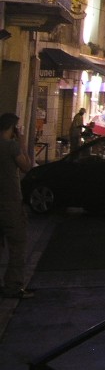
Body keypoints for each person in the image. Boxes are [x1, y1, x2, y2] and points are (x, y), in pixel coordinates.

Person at [0, 113, 34, 299]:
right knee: (17, 244)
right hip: (10, 202)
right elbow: (26, 166)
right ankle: (12, 286)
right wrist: (21, 142)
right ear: (12, 128)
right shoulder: (11, 146)